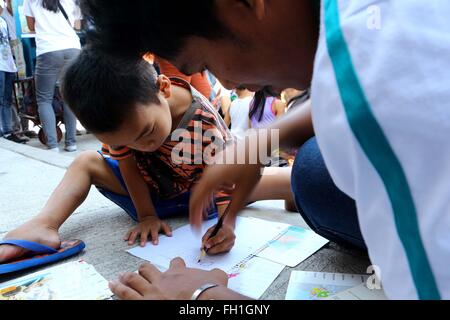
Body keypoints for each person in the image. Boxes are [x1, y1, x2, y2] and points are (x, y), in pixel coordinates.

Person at [79, 0, 450, 300]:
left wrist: (201, 296)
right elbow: (345, 96)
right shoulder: (370, 24)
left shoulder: (386, 79)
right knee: (313, 171)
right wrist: (261, 141)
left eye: (204, 64)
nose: (227, 83)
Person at [0, 49, 295, 263]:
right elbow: (127, 164)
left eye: (146, 133)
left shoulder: (202, 120)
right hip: (151, 190)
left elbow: (233, 173)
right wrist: (146, 215)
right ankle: (45, 224)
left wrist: (227, 225)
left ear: (163, 88)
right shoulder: (127, 121)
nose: (143, 147)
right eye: (124, 143)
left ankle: (293, 188)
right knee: (85, 163)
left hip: (203, 189)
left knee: (262, 182)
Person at [24, 0, 82, 152]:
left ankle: (53, 145)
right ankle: (71, 143)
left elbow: (31, 26)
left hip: (48, 49)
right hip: (72, 48)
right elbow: (78, 25)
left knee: (44, 99)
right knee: (69, 96)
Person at [0, 3, 27, 143]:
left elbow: (10, 42)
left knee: (7, 99)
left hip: (8, 64)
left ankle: (7, 131)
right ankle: (5, 131)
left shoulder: (3, 20)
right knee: (1, 99)